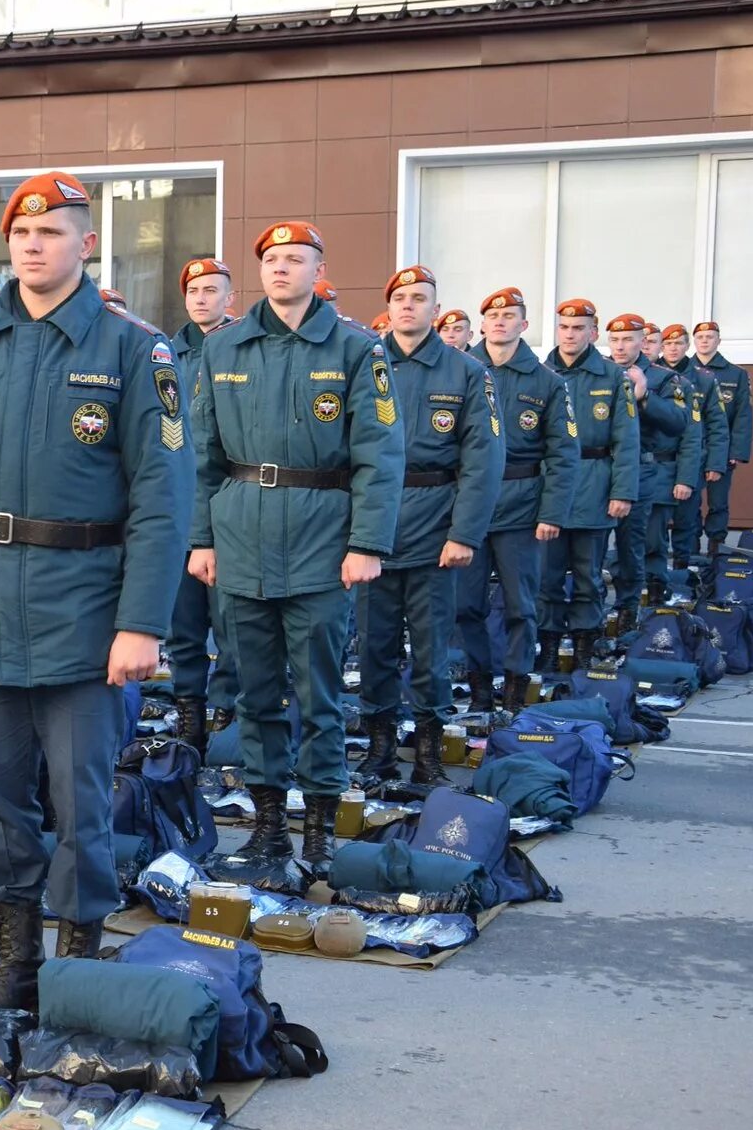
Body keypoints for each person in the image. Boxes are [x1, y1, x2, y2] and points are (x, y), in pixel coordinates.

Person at [0, 172, 191, 1007]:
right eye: (23, 231)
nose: (34, 243)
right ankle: (17, 964)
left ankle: (76, 965)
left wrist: (141, 623)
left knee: (80, 801)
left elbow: (163, 498)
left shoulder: (136, 350)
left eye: (54, 231)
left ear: (86, 244)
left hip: (86, 611)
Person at [188, 220, 401, 879]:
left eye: (296, 258)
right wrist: (200, 538)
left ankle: (318, 836)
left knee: (320, 694)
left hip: (320, 542)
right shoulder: (224, 351)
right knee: (255, 695)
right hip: (241, 540)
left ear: (318, 268)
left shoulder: (358, 349)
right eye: (272, 259)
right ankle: (269, 830)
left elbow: (380, 456)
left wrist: (366, 542)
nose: (281, 269)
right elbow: (200, 456)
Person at [356, 267, 503, 786]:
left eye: (420, 299)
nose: (408, 306)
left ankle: (428, 752)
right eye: (399, 298)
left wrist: (464, 534)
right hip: (373, 528)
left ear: (436, 310)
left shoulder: (466, 372)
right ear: (388, 306)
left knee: (431, 649)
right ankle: (376, 746)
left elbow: (483, 460)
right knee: (373, 646)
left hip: (436, 529)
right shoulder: (364, 362)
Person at [454, 287, 579, 712]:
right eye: (493, 315)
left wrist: (552, 512)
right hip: (468, 506)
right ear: (482, 324)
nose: (501, 321)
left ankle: (514, 687)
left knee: (519, 605)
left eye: (510, 315)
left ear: (524, 325)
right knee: (466, 604)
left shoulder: (547, 382)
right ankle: (479, 689)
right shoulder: (460, 371)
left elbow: (564, 454)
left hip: (521, 507)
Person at [164, 256, 239, 752]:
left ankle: (227, 718)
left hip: (230, 503)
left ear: (230, 298)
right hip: (176, 504)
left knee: (231, 624)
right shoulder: (165, 352)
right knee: (182, 624)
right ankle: (189, 717)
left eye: (212, 290)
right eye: (194, 290)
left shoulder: (243, 349)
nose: (201, 298)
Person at [539, 301, 638, 672]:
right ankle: (547, 648)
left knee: (588, 577)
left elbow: (626, 439)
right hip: (549, 488)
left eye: (578, 328)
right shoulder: (541, 372)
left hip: (595, 484)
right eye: (564, 326)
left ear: (593, 333)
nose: (569, 333)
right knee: (547, 578)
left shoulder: (611, 377)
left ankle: (584, 647)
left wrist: (622, 491)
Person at [604, 314, 698, 623]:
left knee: (637, 545)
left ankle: (631, 608)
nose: (620, 346)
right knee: (590, 547)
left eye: (628, 339)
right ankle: (597, 611)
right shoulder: (600, 373)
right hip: (599, 469)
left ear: (643, 343)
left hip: (643, 471)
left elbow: (679, 423)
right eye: (615, 340)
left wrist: (645, 397)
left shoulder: (666, 379)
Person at [659, 323, 727, 571]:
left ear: (687, 346)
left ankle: (683, 570)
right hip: (658, 460)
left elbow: (718, 426)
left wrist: (715, 463)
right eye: (667, 344)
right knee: (654, 521)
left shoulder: (704, 379)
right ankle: (654, 576)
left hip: (693, 459)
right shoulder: (653, 375)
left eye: (678, 344)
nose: (672, 349)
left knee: (686, 519)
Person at [692, 321, 751, 556]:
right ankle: (691, 551)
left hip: (722, 449)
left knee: (718, 503)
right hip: (693, 448)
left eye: (710, 336)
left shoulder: (735, 374)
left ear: (718, 340)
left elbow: (743, 416)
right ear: (694, 342)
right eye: (700, 337)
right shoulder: (683, 371)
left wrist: (737, 452)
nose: (705, 341)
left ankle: (716, 550)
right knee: (690, 503)